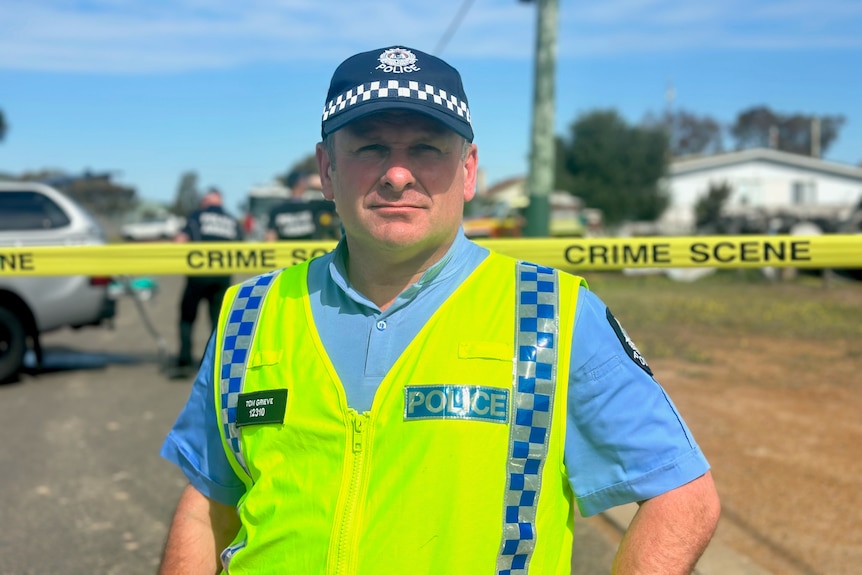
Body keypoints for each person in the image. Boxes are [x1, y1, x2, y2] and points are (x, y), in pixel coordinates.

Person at [159, 46, 720, 574]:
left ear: (469, 170)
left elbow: (682, 495)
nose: (397, 173)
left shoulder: (552, 314)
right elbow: (207, 499)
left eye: (427, 148)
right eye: (371, 146)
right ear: (327, 169)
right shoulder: (250, 312)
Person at [168, 187, 243, 379]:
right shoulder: (231, 219)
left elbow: (180, 240)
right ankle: (214, 363)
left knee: (187, 317)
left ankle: (184, 360)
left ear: (206, 201)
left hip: (198, 275)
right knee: (217, 321)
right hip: (222, 276)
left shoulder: (197, 215)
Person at [264, 170, 340, 241]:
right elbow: (270, 236)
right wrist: (322, 184)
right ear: (300, 182)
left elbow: (339, 203)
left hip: (310, 252)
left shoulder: (315, 205)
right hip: (289, 252)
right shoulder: (277, 210)